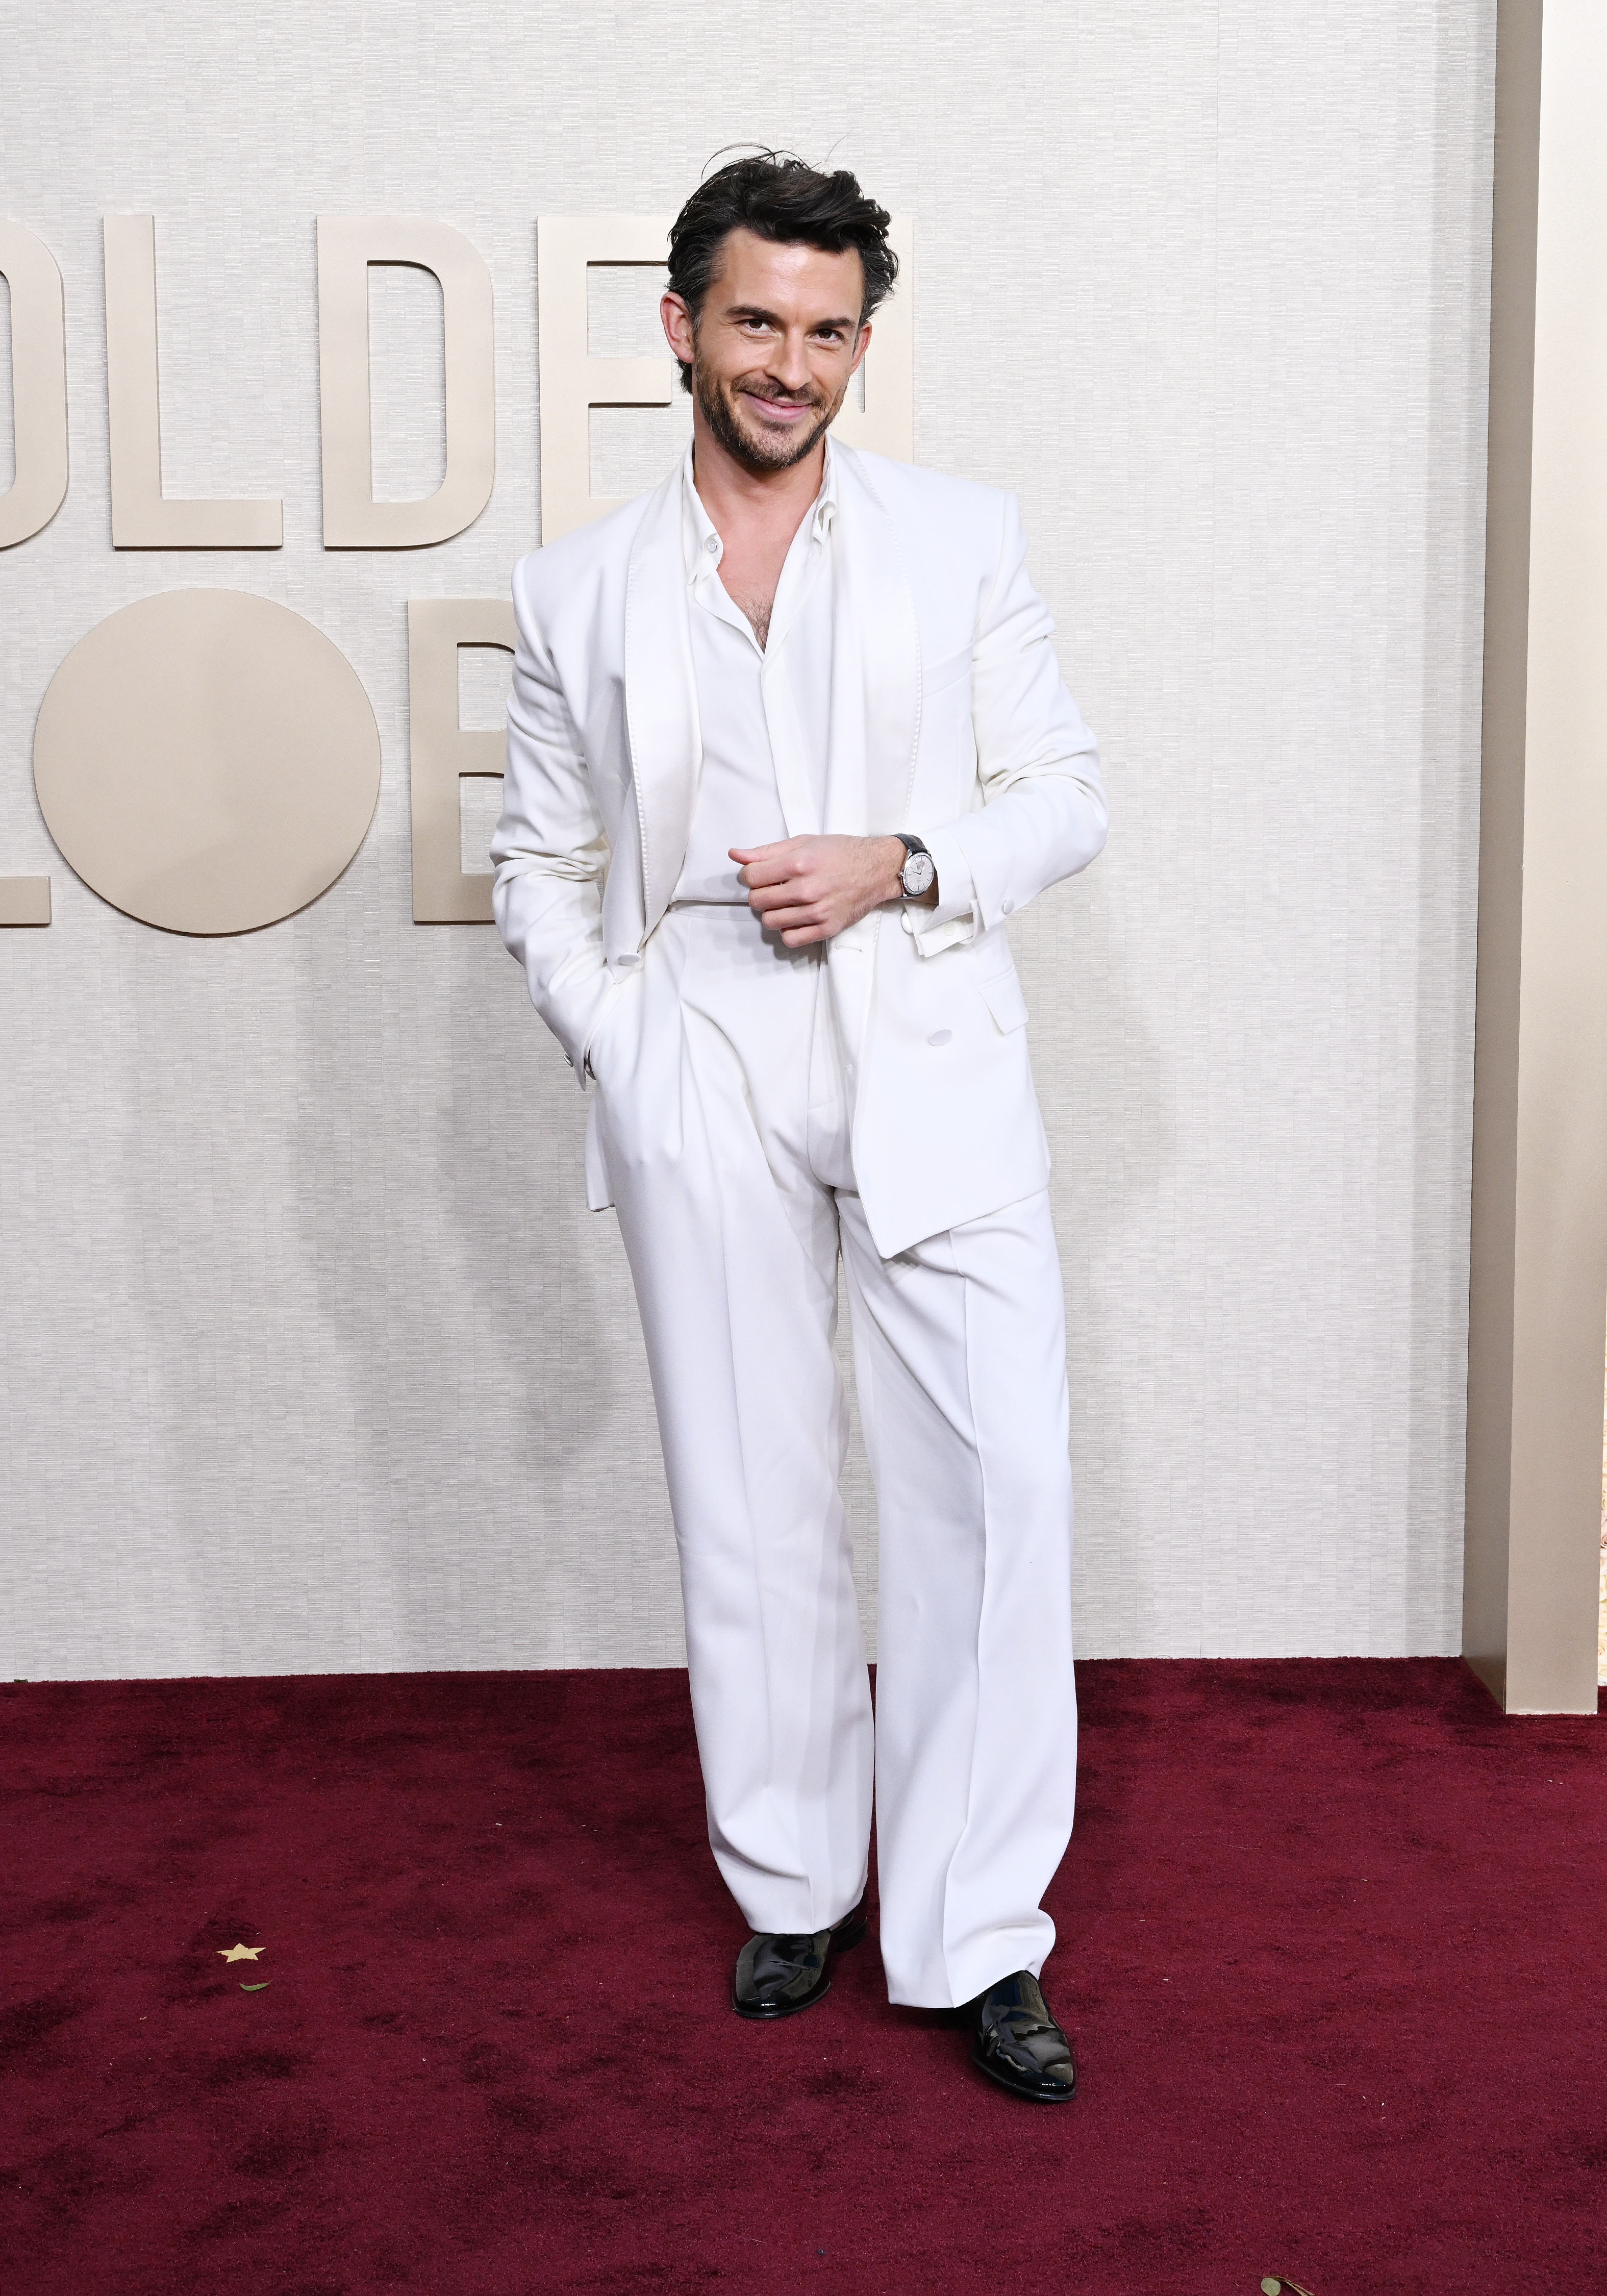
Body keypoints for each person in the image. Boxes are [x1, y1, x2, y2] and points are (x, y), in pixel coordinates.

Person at [492, 153, 1106, 2103]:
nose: (791, 363)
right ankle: (790, 1880)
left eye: (828, 330)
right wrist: (623, 1036)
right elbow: (539, 858)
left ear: (861, 342)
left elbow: (1066, 794)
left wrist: (904, 860)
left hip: (922, 1034)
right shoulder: (572, 585)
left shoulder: (960, 538)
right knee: (750, 1494)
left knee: (991, 1491)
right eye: (757, 321)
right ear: (682, 327)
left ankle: (978, 1931)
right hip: (702, 1053)